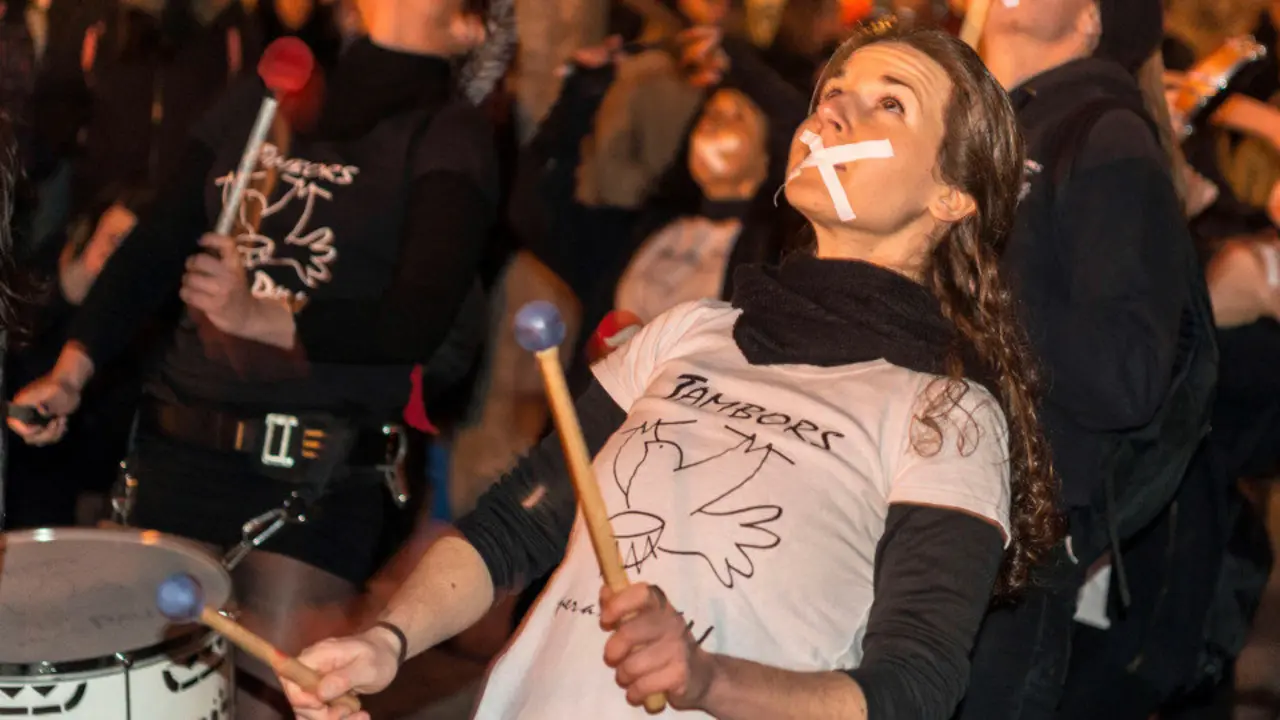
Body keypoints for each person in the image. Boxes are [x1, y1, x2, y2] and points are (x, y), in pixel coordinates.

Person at [283, 24, 1063, 720]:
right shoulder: (690, 331)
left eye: (889, 105)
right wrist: (389, 639)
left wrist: (706, 681)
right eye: (831, 95)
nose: (830, 115)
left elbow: (914, 689)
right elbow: (515, 525)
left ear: (953, 195)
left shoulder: (946, 415)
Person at [6, 0, 502, 716]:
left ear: (469, 27)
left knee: (266, 703)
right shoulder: (269, 91)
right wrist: (73, 368)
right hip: (174, 452)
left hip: (312, 471)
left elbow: (416, 319)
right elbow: (156, 243)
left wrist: (266, 318)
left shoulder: (449, 132)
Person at [956, 1, 1216, 718]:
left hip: (1009, 543)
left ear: (1092, 18)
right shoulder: (957, 125)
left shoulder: (1106, 135)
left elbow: (1127, 375)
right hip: (912, 500)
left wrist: (973, 297)